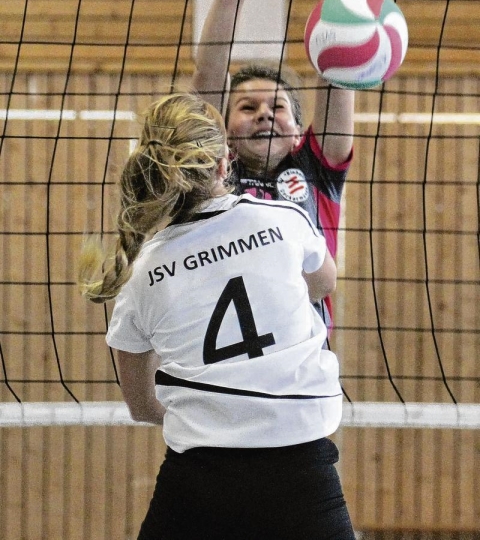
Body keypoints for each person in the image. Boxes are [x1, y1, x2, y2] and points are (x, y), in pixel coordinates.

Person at [78, 91, 355, 539]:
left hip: (199, 480)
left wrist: (217, 412)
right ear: (225, 164)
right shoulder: (283, 219)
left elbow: (142, 405)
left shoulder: (141, 271)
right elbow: (324, 284)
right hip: (301, 470)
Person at [192, 0, 410, 331]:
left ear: (297, 131)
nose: (264, 114)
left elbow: (340, 66)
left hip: (302, 369)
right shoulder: (212, 165)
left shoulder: (317, 169)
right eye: (247, 108)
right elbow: (209, 75)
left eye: (277, 108)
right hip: (218, 359)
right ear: (226, 129)